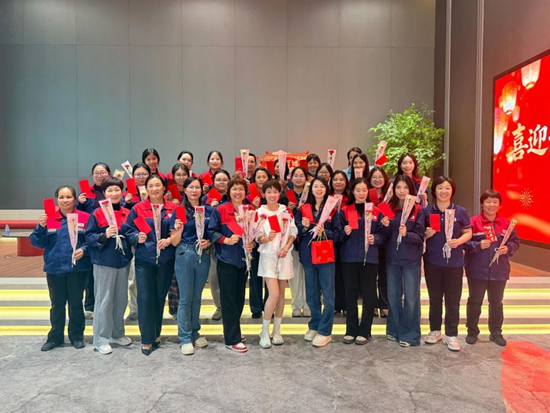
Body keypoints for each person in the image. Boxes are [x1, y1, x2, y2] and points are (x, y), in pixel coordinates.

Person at [30, 185, 91, 351]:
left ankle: (77, 336)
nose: (65, 200)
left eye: (69, 197)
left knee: (76, 303)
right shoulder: (49, 218)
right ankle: (55, 337)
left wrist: (84, 250)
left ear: (75, 199)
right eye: (61, 197)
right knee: (57, 304)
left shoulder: (84, 217)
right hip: (54, 268)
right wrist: (40, 227)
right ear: (57, 199)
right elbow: (37, 242)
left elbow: (91, 240)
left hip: (77, 269)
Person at [126, 174, 176, 356]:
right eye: (151, 186)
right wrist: (135, 237)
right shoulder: (138, 208)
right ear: (146, 189)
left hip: (165, 260)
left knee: (159, 297)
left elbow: (178, 230)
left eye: (158, 185)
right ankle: (146, 338)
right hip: (144, 260)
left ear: (164, 188)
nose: (154, 189)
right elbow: (128, 230)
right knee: (145, 298)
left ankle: (156, 334)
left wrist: (169, 239)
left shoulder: (173, 208)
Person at [464, 189, 520, 347]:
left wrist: (508, 248)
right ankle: (472, 332)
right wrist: (477, 245)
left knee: (496, 302)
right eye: (488, 201)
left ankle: (496, 332)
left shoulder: (506, 223)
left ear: (500, 205)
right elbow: (464, 242)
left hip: (499, 270)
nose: (491, 205)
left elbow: (515, 242)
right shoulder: (473, 222)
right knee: (475, 301)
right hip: (477, 270)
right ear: (482, 204)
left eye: (495, 202)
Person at [85, 177, 133, 355]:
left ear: (122, 192)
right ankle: (101, 339)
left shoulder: (127, 213)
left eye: (117, 189)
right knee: (104, 300)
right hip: (104, 262)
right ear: (104, 193)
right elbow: (89, 237)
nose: (114, 193)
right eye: (110, 190)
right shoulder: (97, 213)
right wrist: (104, 235)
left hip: (122, 262)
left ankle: (117, 334)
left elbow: (132, 233)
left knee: (121, 300)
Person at [423, 177, 472, 351]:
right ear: (434, 191)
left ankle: (451, 334)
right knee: (435, 299)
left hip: (454, 263)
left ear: (452, 191)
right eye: (440, 188)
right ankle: (435, 330)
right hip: (432, 261)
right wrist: (426, 234)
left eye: (447, 188)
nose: (444, 191)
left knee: (453, 300)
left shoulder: (460, 211)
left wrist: (459, 241)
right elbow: (419, 234)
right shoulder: (427, 211)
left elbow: (468, 232)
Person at [207, 176, 255, 353]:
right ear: (228, 191)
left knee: (239, 298)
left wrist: (252, 243)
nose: (238, 192)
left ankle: (233, 329)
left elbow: (256, 233)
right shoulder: (220, 210)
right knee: (228, 299)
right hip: (226, 260)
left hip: (243, 261)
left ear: (245, 192)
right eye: (234, 189)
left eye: (241, 189)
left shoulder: (250, 210)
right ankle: (231, 339)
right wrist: (225, 240)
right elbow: (212, 231)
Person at [380, 175, 425, 347]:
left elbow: (420, 237)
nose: (402, 191)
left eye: (405, 187)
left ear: (411, 190)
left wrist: (407, 234)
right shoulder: (389, 208)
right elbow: (385, 237)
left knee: (411, 298)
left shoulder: (417, 210)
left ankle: (410, 335)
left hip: (411, 260)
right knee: (393, 296)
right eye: (398, 187)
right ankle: (394, 330)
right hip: (392, 259)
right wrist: (384, 226)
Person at [169, 177, 212, 355]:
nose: (194, 190)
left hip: (203, 254)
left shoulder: (208, 210)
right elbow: (174, 242)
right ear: (185, 190)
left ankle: (195, 332)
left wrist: (208, 242)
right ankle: (185, 337)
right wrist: (178, 230)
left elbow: (213, 234)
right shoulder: (179, 211)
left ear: (202, 190)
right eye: (191, 187)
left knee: (197, 297)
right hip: (184, 253)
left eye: (197, 187)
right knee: (185, 298)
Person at [295, 177, 340, 347]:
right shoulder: (303, 208)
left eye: (322, 186)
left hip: (326, 255)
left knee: (328, 293)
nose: (319, 189)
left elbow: (338, 233)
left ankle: (325, 331)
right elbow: (297, 229)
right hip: (308, 256)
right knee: (311, 293)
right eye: (316, 186)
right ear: (311, 189)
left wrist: (325, 232)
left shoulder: (332, 210)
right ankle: (314, 324)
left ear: (326, 189)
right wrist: (304, 226)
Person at [339, 178, 384, 345]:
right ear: (352, 192)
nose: (361, 193)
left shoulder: (375, 211)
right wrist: (344, 232)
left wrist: (376, 238)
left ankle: (365, 331)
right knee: (350, 294)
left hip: (370, 258)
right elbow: (338, 234)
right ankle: (351, 330)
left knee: (369, 295)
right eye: (358, 190)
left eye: (364, 190)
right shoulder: (344, 210)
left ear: (368, 191)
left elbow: (383, 234)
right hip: (349, 258)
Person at [256, 179, 298, 349]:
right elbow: (257, 235)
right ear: (264, 194)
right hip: (268, 256)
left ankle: (277, 331)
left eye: (275, 191)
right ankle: (264, 331)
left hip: (284, 256)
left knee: (281, 294)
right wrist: (266, 238)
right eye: (269, 192)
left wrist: (286, 248)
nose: (272, 195)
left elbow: (293, 232)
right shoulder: (259, 212)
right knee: (273, 293)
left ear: (279, 193)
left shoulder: (285, 211)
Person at [77, 162, 111, 319]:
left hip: (110, 236)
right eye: (96, 173)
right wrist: (79, 203)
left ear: (109, 174)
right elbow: (77, 214)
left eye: (103, 172)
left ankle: (107, 306)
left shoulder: (113, 191)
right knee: (90, 274)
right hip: (91, 237)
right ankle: (90, 306)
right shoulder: (86, 193)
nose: (99, 175)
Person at [123, 162, 151, 322]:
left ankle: (150, 308)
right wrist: (126, 203)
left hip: (153, 243)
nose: (141, 177)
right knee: (133, 279)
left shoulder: (156, 193)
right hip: (135, 243)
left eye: (144, 174)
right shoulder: (127, 194)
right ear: (133, 176)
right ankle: (134, 308)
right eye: (138, 174)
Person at [203, 169, 231, 321]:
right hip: (212, 244)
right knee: (214, 278)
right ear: (213, 182)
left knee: (228, 278)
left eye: (225, 179)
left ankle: (229, 307)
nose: (221, 182)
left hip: (230, 244)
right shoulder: (205, 199)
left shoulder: (232, 197)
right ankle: (219, 306)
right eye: (218, 180)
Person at [367, 166, 391, 318]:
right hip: (369, 239)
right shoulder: (366, 194)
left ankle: (384, 303)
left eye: (380, 177)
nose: (377, 180)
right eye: (374, 177)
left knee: (384, 273)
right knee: (370, 275)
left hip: (385, 240)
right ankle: (372, 304)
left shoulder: (390, 195)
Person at [287, 166, 310, 317]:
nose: (299, 178)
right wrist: (290, 210)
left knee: (308, 273)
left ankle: (308, 304)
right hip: (292, 240)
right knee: (294, 273)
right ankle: (296, 304)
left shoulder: (310, 195)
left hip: (307, 239)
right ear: (291, 178)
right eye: (296, 175)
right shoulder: (286, 195)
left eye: (302, 175)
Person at [330, 170, 350, 316]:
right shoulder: (327, 198)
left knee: (346, 275)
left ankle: (346, 304)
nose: (338, 182)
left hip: (347, 241)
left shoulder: (350, 199)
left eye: (341, 179)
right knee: (334, 275)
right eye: (335, 179)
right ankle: (336, 304)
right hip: (331, 241)